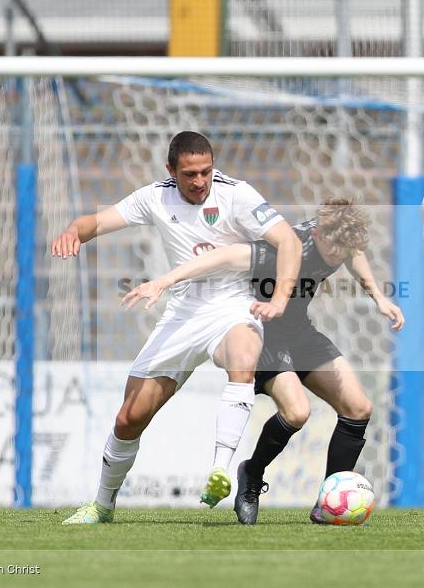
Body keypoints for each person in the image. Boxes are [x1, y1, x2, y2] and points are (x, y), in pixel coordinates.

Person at [52, 131, 301, 524]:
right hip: (183, 314)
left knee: (242, 356)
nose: (200, 181)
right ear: (171, 170)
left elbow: (289, 242)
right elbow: (96, 222)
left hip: (232, 305)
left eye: (206, 171)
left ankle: (220, 469)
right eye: (190, 174)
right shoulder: (155, 196)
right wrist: (73, 231)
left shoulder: (237, 194)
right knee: (129, 418)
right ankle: (102, 505)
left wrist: (280, 300)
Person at [123, 197, 404, 524]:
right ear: (318, 236)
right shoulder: (281, 248)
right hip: (261, 333)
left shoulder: (339, 243)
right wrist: (163, 282)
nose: (340, 255)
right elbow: (224, 256)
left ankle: (329, 504)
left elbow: (355, 254)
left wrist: (380, 298)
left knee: (359, 408)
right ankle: (252, 476)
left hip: (299, 332)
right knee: (297, 412)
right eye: (336, 248)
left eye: (345, 249)